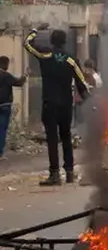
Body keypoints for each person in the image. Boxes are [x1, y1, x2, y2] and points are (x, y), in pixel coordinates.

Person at [24, 28, 89, 185]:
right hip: (66, 104)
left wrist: (35, 30)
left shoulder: (46, 54)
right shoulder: (71, 59)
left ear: (51, 41)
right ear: (65, 42)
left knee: (52, 138)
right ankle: (69, 172)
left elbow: (27, 44)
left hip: (50, 103)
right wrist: (90, 101)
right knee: (66, 136)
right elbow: (81, 82)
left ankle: (54, 174)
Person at [0, 55, 27, 159]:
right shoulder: (6, 76)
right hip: (5, 105)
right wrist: (25, 75)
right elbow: (19, 82)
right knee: (2, 129)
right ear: (5, 64)